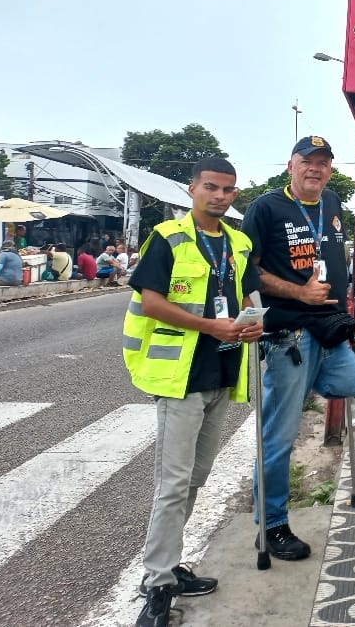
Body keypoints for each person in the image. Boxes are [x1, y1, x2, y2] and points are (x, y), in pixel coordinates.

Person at [123, 157, 263, 627]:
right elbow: (150, 300)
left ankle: (169, 567)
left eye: (227, 190)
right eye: (211, 187)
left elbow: (245, 299)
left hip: (222, 375)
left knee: (197, 477)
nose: (219, 196)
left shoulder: (239, 243)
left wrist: (249, 326)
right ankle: (158, 584)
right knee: (172, 484)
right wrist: (211, 326)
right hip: (180, 377)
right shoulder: (166, 238)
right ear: (192, 189)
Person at [242, 135, 355, 561]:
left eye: (323, 163)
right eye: (307, 161)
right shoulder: (265, 207)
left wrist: (342, 318)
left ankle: (299, 389)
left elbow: (334, 262)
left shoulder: (333, 203)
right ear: (291, 165)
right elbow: (249, 272)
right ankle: (272, 525)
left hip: (327, 329)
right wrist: (299, 294)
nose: (315, 169)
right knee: (279, 436)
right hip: (289, 335)